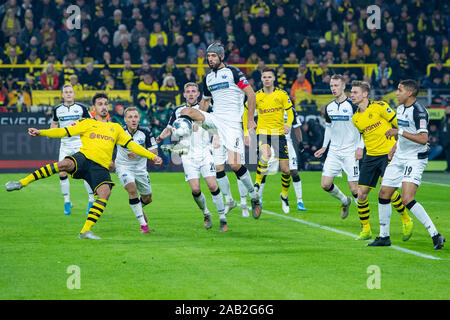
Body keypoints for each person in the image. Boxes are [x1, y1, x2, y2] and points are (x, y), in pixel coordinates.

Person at [5, 93, 163, 240]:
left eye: (105, 104)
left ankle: (85, 231)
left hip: (100, 167)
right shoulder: (86, 123)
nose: (103, 106)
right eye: (100, 104)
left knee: (105, 193)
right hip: (84, 158)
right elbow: (64, 131)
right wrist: (42, 132)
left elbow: (133, 146)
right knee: (64, 164)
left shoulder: (115, 128)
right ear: (93, 109)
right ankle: (22, 182)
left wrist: (152, 156)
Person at [179, 42, 262, 219]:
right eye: (208, 57)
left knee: (234, 164)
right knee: (186, 110)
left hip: (232, 124)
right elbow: (205, 102)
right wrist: (198, 120)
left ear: (221, 57)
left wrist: (249, 122)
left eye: (213, 56)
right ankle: (229, 199)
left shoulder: (233, 72)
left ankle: (254, 195)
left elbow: (251, 94)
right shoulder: (208, 78)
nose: (210, 59)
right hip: (216, 119)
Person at [368, 80, 446, 249]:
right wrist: (395, 147)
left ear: (410, 93)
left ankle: (435, 234)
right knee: (383, 193)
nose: (396, 93)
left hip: (415, 158)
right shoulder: (401, 108)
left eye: (400, 90)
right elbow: (404, 133)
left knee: (407, 198)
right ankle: (383, 236)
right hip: (399, 156)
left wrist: (399, 132)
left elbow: (423, 138)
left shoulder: (419, 112)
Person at [156, 82, 227, 231]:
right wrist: (159, 138)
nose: (191, 94)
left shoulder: (207, 108)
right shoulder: (178, 111)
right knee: (195, 190)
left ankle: (222, 218)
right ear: (184, 94)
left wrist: (218, 138)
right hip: (187, 155)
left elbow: (218, 126)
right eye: (188, 91)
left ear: (198, 94)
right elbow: (169, 129)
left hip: (205, 151)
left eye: (193, 91)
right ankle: (206, 213)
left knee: (212, 185)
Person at [351, 80, 413, 241]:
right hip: (370, 157)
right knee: (361, 194)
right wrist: (360, 149)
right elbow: (365, 137)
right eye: (351, 92)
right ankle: (366, 229)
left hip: (388, 155)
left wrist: (399, 144)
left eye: (355, 92)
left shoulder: (380, 107)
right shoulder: (355, 118)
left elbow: (399, 125)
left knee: (388, 192)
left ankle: (406, 219)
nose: (351, 95)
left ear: (365, 94)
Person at [243, 67, 301, 214]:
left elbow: (290, 111)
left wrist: (288, 125)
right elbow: (245, 113)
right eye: (264, 77)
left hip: (279, 134)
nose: (267, 79)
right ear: (261, 79)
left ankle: (284, 195)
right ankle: (256, 185)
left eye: (269, 77)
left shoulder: (281, 94)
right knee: (265, 155)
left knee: (286, 169)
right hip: (263, 133)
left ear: (273, 79)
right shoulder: (256, 96)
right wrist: (246, 131)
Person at [314, 74, 364, 219]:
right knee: (325, 184)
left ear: (343, 86)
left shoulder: (353, 106)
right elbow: (329, 128)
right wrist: (324, 147)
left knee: (354, 188)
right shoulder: (329, 107)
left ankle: (364, 223)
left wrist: (360, 147)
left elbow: (364, 128)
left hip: (350, 152)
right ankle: (344, 200)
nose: (333, 89)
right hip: (334, 151)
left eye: (336, 86)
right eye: (331, 86)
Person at [50, 84, 95, 215]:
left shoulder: (82, 108)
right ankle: (67, 201)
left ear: (74, 94)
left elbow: (91, 123)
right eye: (66, 92)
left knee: (85, 172)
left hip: (79, 144)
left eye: (70, 92)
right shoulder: (57, 109)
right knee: (62, 172)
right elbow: (54, 124)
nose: (68, 94)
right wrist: (51, 132)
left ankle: (91, 200)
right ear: (62, 95)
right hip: (65, 145)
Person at [113, 107, 158, 234]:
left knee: (147, 198)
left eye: (135, 117)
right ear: (125, 120)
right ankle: (144, 226)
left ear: (139, 118)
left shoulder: (146, 131)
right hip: (123, 167)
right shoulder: (119, 131)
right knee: (132, 190)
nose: (133, 120)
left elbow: (154, 151)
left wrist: (137, 153)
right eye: (130, 117)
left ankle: (137, 207)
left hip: (140, 169)